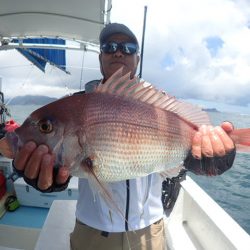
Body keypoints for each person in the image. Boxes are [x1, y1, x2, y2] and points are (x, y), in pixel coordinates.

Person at [12, 23, 236, 250]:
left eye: (128, 47)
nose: (118, 51)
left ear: (137, 60)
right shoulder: (76, 104)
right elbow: (68, 163)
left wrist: (210, 159)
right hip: (92, 231)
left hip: (149, 231)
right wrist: (50, 177)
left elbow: (183, 160)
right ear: (100, 58)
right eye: (109, 47)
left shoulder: (159, 104)